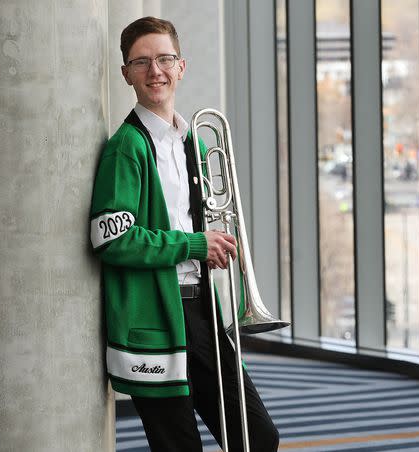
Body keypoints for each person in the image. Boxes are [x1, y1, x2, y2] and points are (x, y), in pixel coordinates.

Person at [89, 16, 279, 452]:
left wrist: (210, 241)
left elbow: (182, 219)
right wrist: (195, 244)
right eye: (141, 62)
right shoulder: (127, 147)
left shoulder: (188, 137)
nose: (155, 70)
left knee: (258, 438)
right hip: (155, 318)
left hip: (200, 312)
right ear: (126, 74)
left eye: (164, 59)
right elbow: (110, 238)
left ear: (181, 66)